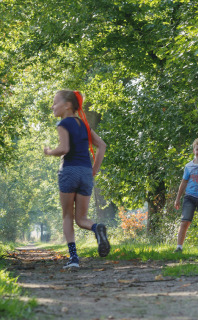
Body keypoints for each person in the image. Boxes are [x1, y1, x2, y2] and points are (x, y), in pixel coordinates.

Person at [44, 90, 110, 269]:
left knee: (68, 216)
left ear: (67, 106)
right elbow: (101, 145)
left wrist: (49, 152)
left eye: (55, 102)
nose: (52, 106)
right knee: (82, 219)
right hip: (85, 173)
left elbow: (64, 148)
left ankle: (73, 259)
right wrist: (94, 169)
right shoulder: (84, 125)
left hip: (69, 171)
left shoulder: (63, 123)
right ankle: (97, 228)